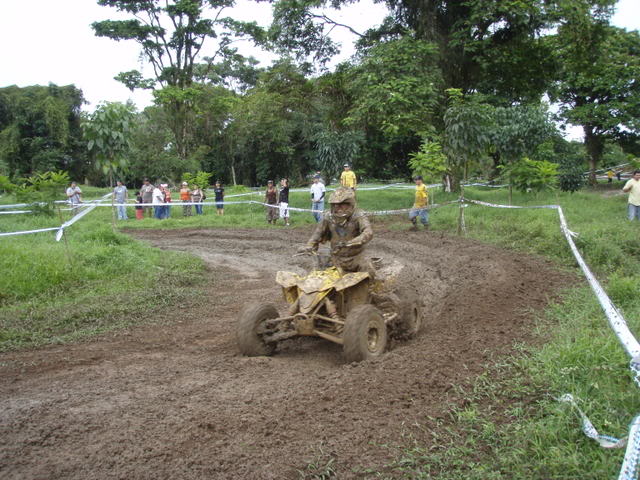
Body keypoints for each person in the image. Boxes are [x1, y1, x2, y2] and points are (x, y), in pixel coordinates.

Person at [299, 187, 374, 278]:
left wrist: (351, 242)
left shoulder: (358, 215)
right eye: (334, 204)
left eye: (341, 204)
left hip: (357, 257)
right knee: (319, 274)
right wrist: (310, 246)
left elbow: (368, 232)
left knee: (368, 270)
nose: (337, 207)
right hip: (336, 258)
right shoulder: (328, 217)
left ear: (350, 204)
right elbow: (318, 234)